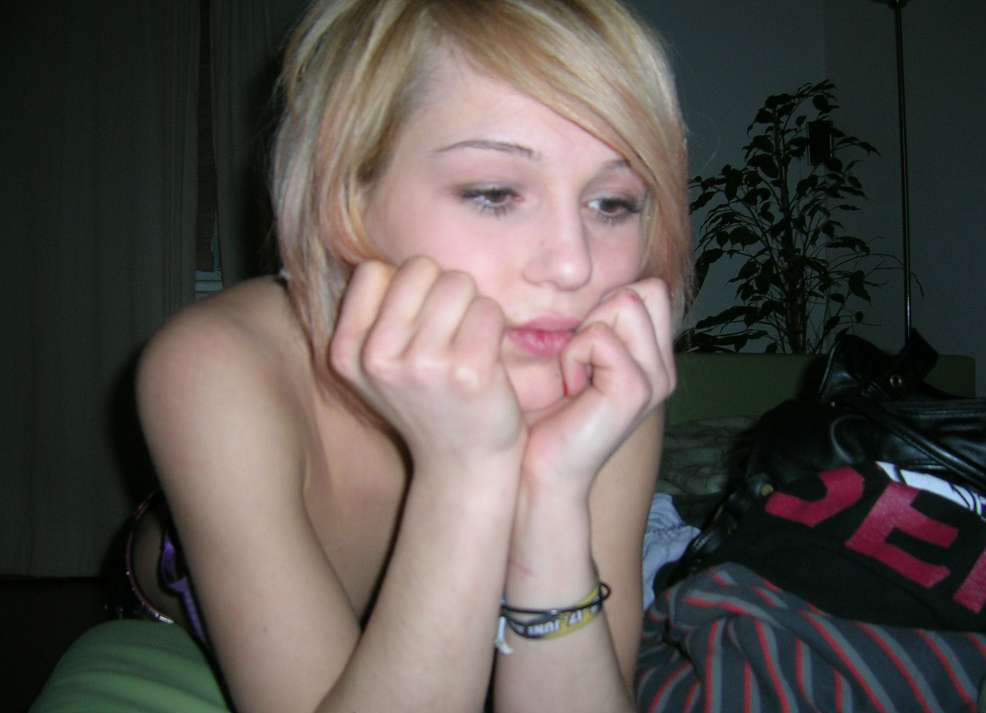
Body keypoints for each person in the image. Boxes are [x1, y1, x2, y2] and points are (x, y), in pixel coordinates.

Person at [130, 0, 691, 712]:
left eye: (612, 203)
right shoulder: (215, 366)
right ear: (349, 195)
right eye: (494, 194)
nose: (573, 266)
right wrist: (466, 470)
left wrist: (551, 494)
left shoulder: (607, 379)